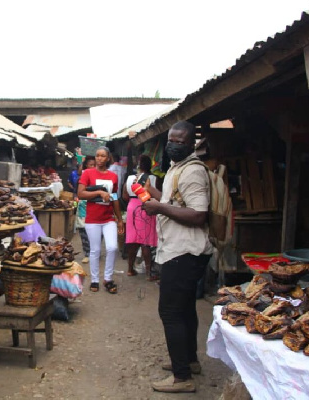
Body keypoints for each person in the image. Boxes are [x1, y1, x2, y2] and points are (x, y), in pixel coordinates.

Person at [142, 120, 213, 393]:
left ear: (191, 143)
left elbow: (198, 214)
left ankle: (182, 378)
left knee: (170, 312)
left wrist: (158, 207)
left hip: (184, 252)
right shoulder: (176, 168)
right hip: (178, 249)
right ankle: (189, 361)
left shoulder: (193, 171)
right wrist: (155, 196)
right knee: (184, 309)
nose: (174, 144)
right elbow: (175, 203)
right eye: (171, 139)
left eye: (181, 141)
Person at [77, 146, 124, 294]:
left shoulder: (113, 176)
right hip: (93, 218)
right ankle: (95, 280)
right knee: (95, 250)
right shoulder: (88, 173)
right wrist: (98, 192)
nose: (99, 158)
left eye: (103, 156)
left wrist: (119, 219)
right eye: (97, 156)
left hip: (108, 218)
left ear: (108, 158)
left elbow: (115, 197)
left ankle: (108, 279)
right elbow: (81, 193)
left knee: (112, 247)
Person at [122, 154, 158, 279]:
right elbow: (159, 196)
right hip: (147, 206)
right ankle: (149, 273)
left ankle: (130, 269)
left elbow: (125, 196)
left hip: (132, 207)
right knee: (145, 241)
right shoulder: (153, 178)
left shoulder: (130, 177)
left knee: (133, 240)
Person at [75, 156, 95, 264]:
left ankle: (94, 251)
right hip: (83, 206)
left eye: (94, 165)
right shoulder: (82, 176)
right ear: (86, 165)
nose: (92, 167)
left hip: (95, 205)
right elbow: (77, 190)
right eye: (90, 164)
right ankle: (87, 253)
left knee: (95, 231)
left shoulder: (98, 177)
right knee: (83, 231)